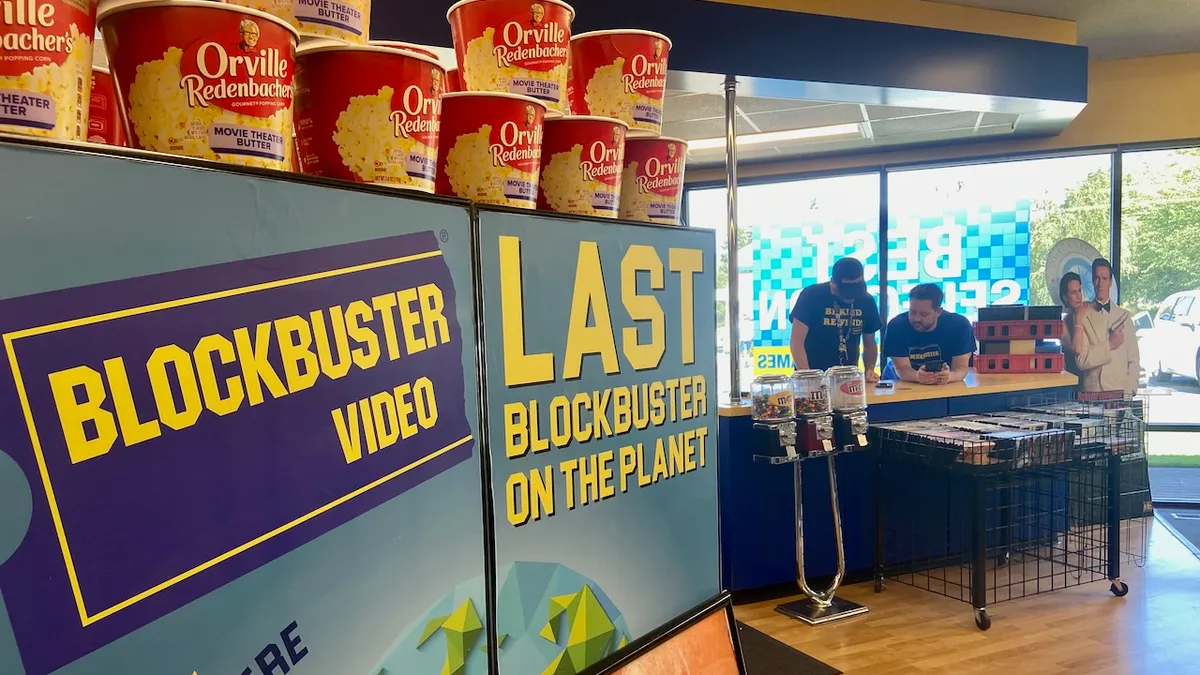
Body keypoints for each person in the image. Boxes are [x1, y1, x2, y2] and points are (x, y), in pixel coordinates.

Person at [789, 257, 881, 379]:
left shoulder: (867, 300)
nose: (850, 298)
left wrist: (869, 369)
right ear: (833, 283)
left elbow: (869, 342)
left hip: (849, 376)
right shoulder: (811, 296)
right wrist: (808, 376)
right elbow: (797, 342)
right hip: (814, 372)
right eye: (846, 293)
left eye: (855, 293)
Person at [1065, 259, 1140, 397]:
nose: (1100, 284)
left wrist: (1130, 389)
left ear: (1111, 281)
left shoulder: (1125, 316)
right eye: (1097, 278)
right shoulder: (1082, 314)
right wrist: (1110, 344)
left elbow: (1134, 360)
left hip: (1121, 394)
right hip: (1092, 395)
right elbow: (1082, 361)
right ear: (1092, 281)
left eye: (1105, 278)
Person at [881, 283, 975, 385]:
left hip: (943, 385)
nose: (916, 318)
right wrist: (917, 376)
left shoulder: (959, 325)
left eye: (923, 314)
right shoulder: (896, 326)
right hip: (899, 382)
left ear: (938, 311)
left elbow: (960, 369)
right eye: (912, 312)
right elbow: (902, 369)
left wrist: (948, 376)